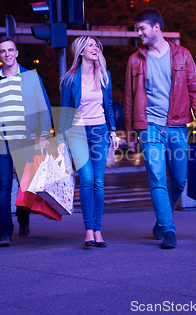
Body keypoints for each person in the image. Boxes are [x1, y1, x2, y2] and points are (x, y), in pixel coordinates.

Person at [124, 8, 196, 249]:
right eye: (136, 28)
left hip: (177, 125)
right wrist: (132, 133)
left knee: (179, 180)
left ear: (156, 28)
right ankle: (169, 229)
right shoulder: (135, 60)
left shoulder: (183, 55)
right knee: (156, 177)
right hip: (149, 126)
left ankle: (161, 221)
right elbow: (130, 100)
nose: (138, 32)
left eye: (141, 28)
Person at [0, 36, 52, 247]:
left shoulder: (30, 78)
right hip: (1, 141)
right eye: (3, 51)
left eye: (11, 50)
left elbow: (43, 106)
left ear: (16, 52)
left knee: (25, 185)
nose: (7, 54)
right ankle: (5, 231)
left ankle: (23, 220)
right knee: (3, 185)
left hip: (26, 140)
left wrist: (44, 134)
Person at [57, 36, 119, 247]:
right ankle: (88, 230)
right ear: (81, 51)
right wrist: (62, 140)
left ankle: (98, 229)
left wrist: (112, 131)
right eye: (90, 45)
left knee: (99, 183)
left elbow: (108, 105)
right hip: (77, 132)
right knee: (87, 179)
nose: (96, 48)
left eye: (96, 45)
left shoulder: (104, 75)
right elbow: (66, 111)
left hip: (100, 131)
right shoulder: (70, 79)